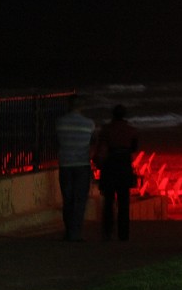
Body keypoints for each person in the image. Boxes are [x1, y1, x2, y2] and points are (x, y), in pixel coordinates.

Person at [96, 104, 139, 241]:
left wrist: (99, 163)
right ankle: (124, 234)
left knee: (108, 201)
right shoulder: (131, 130)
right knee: (124, 202)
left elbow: (101, 149)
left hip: (110, 165)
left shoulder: (106, 130)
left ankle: (108, 232)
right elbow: (134, 148)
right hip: (124, 165)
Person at [55, 95, 96, 242]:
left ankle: (68, 231)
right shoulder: (89, 124)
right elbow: (92, 144)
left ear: (68, 105)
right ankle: (76, 233)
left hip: (65, 164)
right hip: (82, 165)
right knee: (80, 200)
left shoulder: (59, 123)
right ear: (82, 106)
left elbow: (56, 142)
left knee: (68, 199)